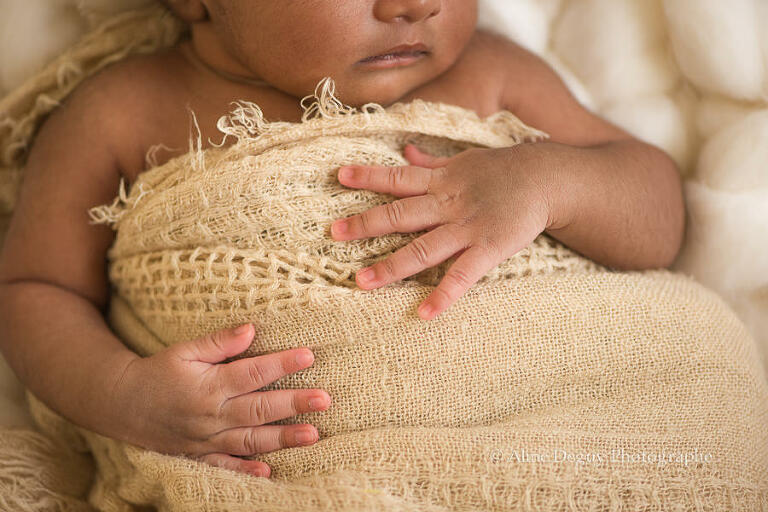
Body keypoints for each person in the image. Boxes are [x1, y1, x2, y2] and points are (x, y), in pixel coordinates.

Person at [0, 0, 685, 479]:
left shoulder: (492, 74)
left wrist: (545, 183)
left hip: (548, 427)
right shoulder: (122, 109)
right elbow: (33, 289)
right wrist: (123, 393)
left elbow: (658, 214)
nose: (413, 4)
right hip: (280, 471)